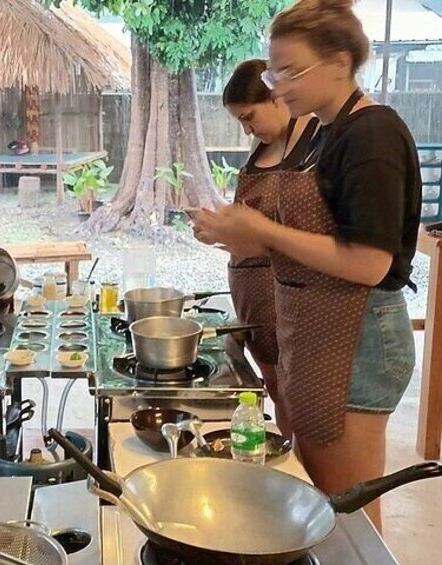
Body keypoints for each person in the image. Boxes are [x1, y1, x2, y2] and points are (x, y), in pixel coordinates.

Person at [193, 0, 420, 531]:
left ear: (341, 62)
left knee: (348, 513)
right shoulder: (327, 131)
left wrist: (262, 231)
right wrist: (243, 235)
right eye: (275, 71)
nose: (277, 85)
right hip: (316, 332)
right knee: (316, 496)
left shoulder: (371, 135)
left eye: (292, 71)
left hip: (359, 338)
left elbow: (368, 263)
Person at [221, 58, 319, 437]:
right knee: (276, 391)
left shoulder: (311, 141)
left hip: (288, 295)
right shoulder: (261, 151)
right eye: (240, 123)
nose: (248, 129)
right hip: (253, 296)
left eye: (249, 117)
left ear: (276, 98)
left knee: (295, 395)